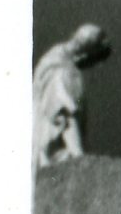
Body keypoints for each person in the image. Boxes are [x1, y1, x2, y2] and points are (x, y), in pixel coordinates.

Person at [32, 22, 110, 168]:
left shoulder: (57, 63)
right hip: (50, 144)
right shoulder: (61, 68)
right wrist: (77, 152)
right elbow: (65, 111)